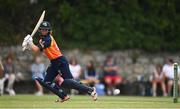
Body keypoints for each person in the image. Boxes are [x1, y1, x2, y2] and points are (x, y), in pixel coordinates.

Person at [22, 21, 97, 102]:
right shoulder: (42, 39)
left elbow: (36, 49)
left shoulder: (48, 39)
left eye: (46, 30)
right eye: (42, 29)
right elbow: (37, 49)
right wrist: (29, 45)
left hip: (60, 61)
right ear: (40, 30)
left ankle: (91, 90)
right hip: (54, 63)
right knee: (47, 82)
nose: (44, 31)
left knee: (68, 82)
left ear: (48, 30)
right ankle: (63, 96)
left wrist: (30, 42)